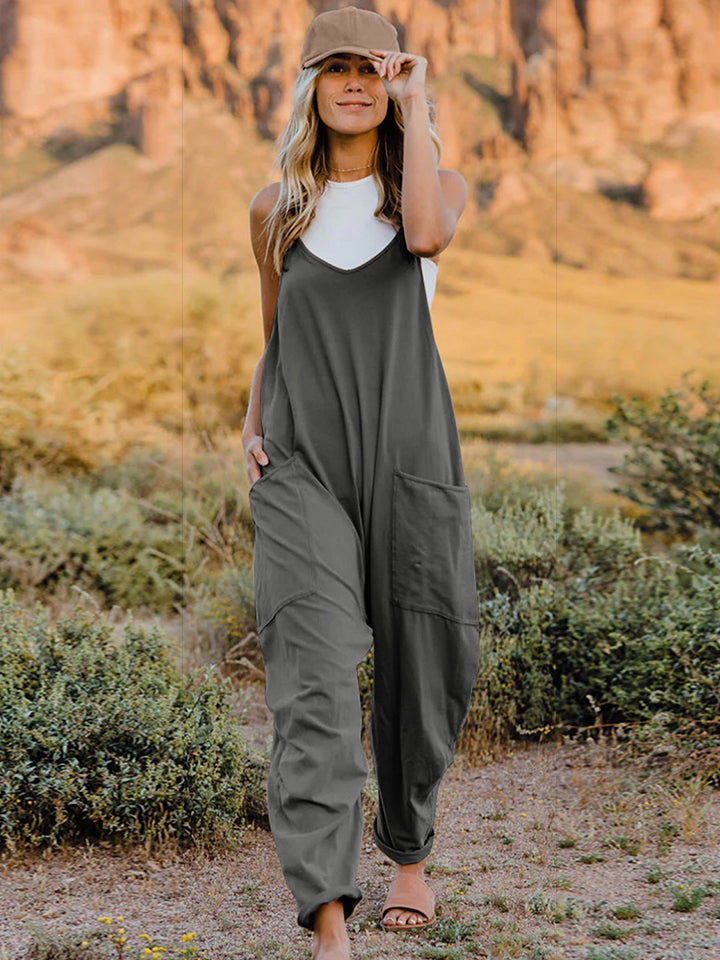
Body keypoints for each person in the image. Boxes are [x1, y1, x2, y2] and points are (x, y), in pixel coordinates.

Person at [241, 7, 480, 959]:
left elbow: (424, 237)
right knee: (313, 680)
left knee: (426, 664)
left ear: (394, 81)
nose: (353, 83)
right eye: (333, 68)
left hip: (411, 452)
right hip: (302, 463)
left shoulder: (434, 185)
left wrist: (417, 106)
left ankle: (409, 855)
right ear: (309, 85)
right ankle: (329, 918)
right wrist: (252, 426)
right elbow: (272, 335)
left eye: (370, 69)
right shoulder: (275, 207)